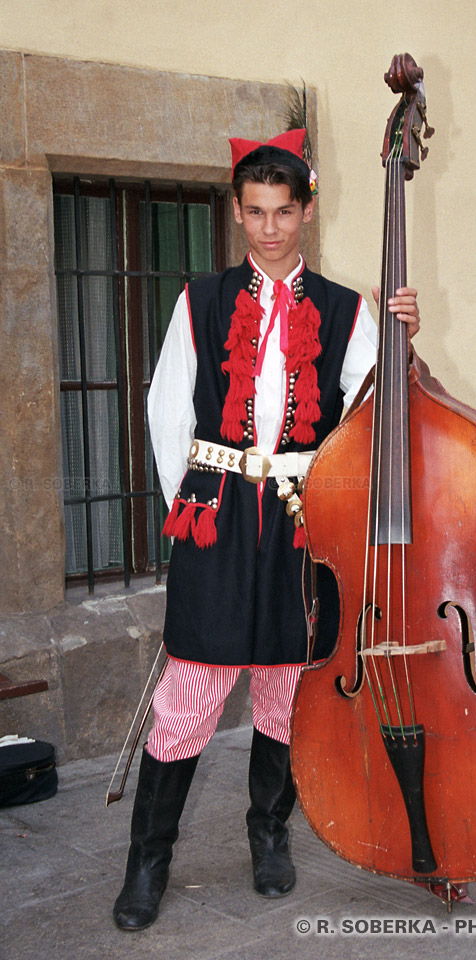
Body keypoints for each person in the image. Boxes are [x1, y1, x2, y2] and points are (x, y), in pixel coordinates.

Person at [112, 129, 421, 931]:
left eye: (285, 211)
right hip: (217, 514)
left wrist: (400, 345)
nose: (271, 228)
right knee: (192, 690)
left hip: (300, 517)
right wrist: (189, 498)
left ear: (306, 211)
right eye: (256, 212)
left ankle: (269, 836)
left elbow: (374, 412)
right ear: (238, 212)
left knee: (287, 687)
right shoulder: (201, 300)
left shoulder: (348, 309)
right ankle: (148, 861)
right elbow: (164, 408)